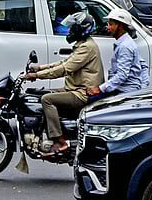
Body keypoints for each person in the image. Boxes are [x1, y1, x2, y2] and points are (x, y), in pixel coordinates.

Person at [25, 11, 103, 155]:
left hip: (81, 93)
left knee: (47, 100)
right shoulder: (82, 44)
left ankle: (59, 140)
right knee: (39, 94)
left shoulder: (87, 47)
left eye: (73, 28)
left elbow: (65, 69)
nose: (70, 31)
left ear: (81, 30)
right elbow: (63, 62)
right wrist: (40, 68)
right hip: (73, 88)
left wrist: (37, 75)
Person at [85, 9, 149, 100]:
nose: (107, 27)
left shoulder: (125, 46)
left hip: (123, 92)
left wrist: (100, 89)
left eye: (110, 24)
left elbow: (122, 75)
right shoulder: (127, 42)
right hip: (125, 90)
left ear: (120, 26)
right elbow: (143, 66)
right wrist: (142, 88)